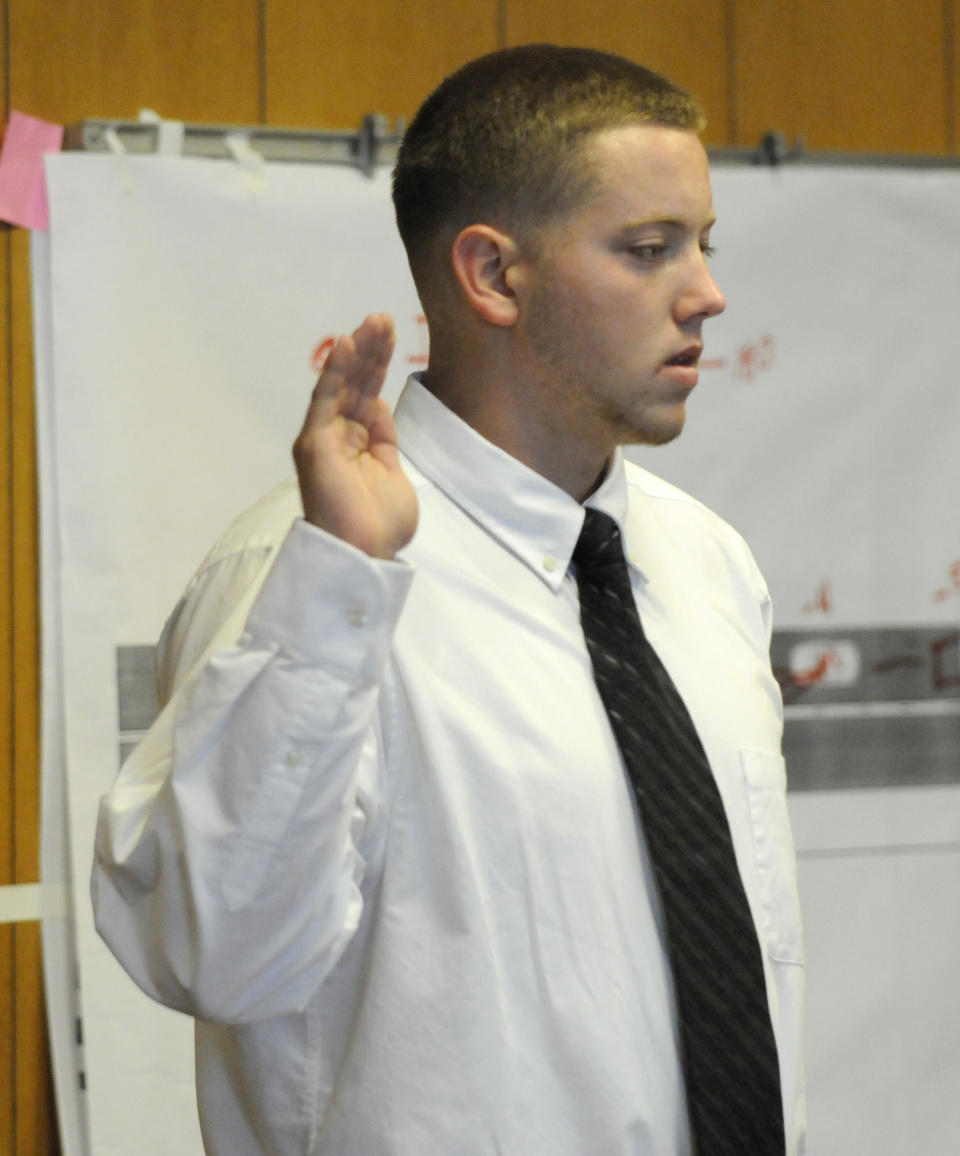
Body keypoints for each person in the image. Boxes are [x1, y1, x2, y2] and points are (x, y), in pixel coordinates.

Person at [92, 44, 806, 1155]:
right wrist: (338, 586)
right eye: (649, 249)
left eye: (703, 244)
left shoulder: (709, 562)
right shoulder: (303, 574)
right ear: (493, 276)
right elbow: (214, 953)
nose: (708, 293)